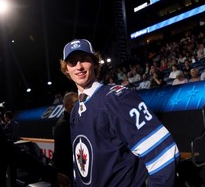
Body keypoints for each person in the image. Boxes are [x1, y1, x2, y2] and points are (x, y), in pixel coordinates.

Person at [60, 39, 180, 186]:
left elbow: (164, 153)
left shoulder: (118, 98)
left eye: (84, 59)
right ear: (66, 69)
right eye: (72, 62)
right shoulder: (75, 110)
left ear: (95, 63)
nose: (79, 66)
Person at [52, 92, 78, 187]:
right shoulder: (64, 124)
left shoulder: (66, 121)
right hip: (66, 171)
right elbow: (66, 152)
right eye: (77, 102)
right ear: (72, 106)